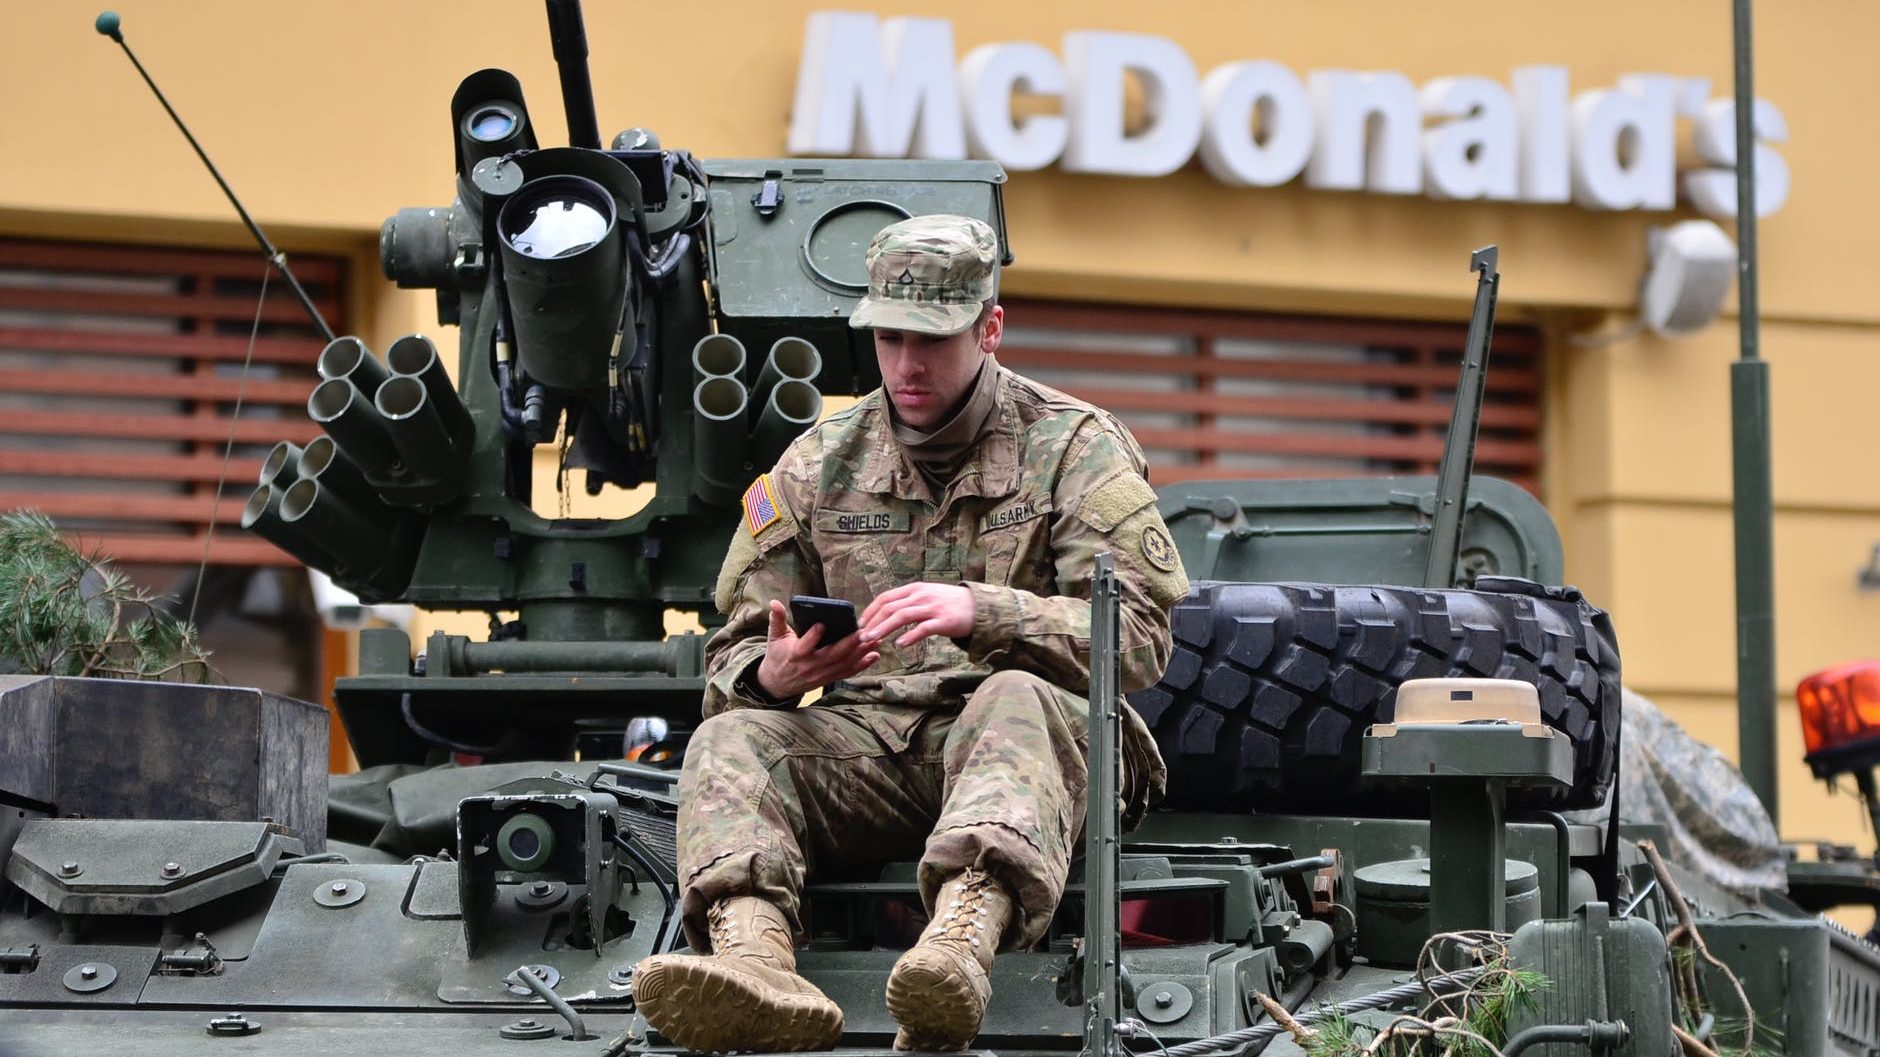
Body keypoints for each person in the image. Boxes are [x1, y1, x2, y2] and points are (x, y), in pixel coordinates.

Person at [632, 215, 1190, 1052]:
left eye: (932, 338)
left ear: (990, 328)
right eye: (889, 338)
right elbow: (733, 652)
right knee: (731, 737)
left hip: (1043, 754)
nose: (907, 364)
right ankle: (755, 963)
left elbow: (1143, 638)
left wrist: (988, 611)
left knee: (1011, 695)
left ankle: (961, 947)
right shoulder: (817, 464)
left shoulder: (1075, 446)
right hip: (872, 749)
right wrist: (778, 673)